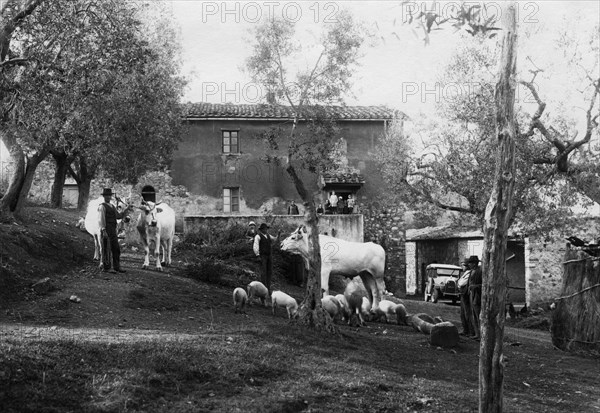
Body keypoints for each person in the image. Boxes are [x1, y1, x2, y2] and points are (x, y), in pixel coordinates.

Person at [98, 188, 126, 273]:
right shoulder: (102, 206)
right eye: (106, 196)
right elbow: (101, 219)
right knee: (106, 248)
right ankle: (106, 267)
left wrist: (126, 210)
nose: (108, 197)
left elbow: (118, 216)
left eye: (109, 196)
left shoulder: (112, 206)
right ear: (104, 197)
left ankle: (117, 266)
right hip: (106, 229)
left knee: (116, 248)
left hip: (113, 229)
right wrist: (104, 230)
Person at [253, 223, 281, 294]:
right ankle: (263, 289)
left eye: (266, 228)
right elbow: (255, 246)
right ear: (261, 229)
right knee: (263, 272)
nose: (266, 230)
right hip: (262, 256)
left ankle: (268, 288)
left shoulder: (269, 236)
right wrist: (257, 255)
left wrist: (279, 234)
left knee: (269, 272)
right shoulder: (258, 236)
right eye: (264, 229)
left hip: (269, 256)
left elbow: (275, 240)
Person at [457, 258, 474, 337]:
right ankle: (465, 330)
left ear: (467, 266)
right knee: (463, 314)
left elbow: (461, 283)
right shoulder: (465, 273)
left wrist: (459, 283)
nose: (462, 267)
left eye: (463, 265)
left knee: (467, 313)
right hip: (463, 294)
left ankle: (470, 331)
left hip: (466, 295)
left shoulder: (469, 273)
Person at [467, 255, 482, 340]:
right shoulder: (471, 271)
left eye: (471, 263)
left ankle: (480, 335)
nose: (469, 264)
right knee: (473, 315)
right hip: (471, 295)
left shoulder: (480, 271)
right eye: (469, 263)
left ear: (475, 263)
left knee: (478, 315)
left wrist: (475, 286)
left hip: (477, 296)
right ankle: (476, 334)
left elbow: (484, 285)